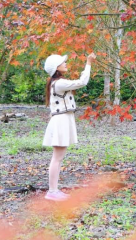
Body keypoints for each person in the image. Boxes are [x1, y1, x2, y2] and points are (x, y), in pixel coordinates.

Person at [42, 52, 94, 201]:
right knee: (57, 158)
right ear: (56, 68)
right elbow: (82, 82)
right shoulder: (59, 83)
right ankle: (52, 191)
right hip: (60, 121)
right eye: (62, 62)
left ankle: (54, 190)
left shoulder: (58, 82)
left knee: (58, 158)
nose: (65, 63)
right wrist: (88, 63)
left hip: (63, 119)